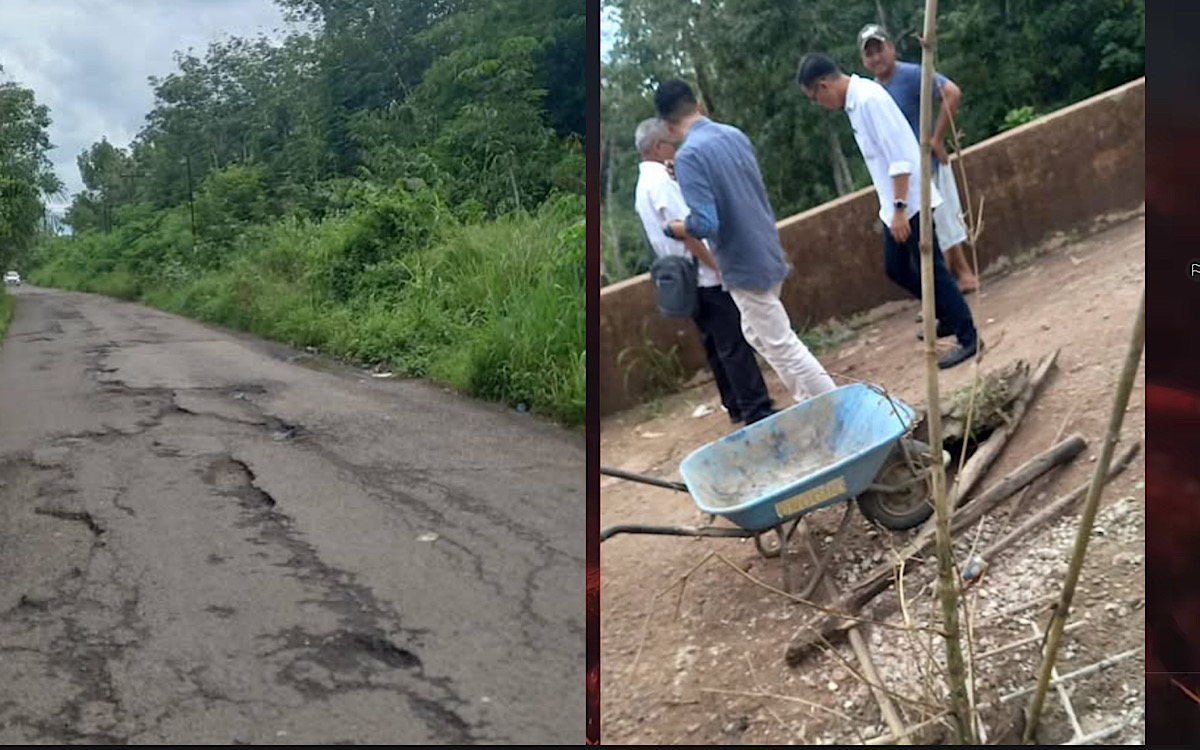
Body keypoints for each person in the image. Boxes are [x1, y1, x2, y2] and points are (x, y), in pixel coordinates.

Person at [652, 79, 838, 404]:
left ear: (667, 126)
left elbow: (706, 223)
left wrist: (675, 228)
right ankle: (817, 404)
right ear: (698, 106)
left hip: (741, 261)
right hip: (766, 247)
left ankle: (835, 406)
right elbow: (735, 187)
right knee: (756, 333)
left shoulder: (690, 155)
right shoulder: (733, 135)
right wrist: (686, 176)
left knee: (782, 344)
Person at [796, 53, 980, 370]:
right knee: (895, 267)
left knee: (932, 268)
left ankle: (968, 335)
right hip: (894, 204)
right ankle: (948, 314)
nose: (819, 104)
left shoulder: (868, 101)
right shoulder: (857, 103)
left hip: (907, 201)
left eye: (815, 97)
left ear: (824, 85)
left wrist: (898, 209)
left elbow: (898, 159)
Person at [633, 117, 776, 425]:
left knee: (715, 344)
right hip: (703, 273)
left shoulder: (643, 185)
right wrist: (718, 266)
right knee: (732, 342)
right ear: (659, 147)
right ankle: (755, 407)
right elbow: (689, 231)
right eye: (671, 144)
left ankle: (735, 403)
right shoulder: (661, 184)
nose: (676, 150)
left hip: (684, 276)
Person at [858, 23, 979, 295]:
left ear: (891, 48)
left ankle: (958, 281)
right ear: (864, 61)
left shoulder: (912, 75)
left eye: (880, 49)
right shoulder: (872, 94)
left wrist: (936, 139)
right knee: (933, 233)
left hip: (925, 166)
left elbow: (952, 92)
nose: (876, 58)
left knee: (941, 229)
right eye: (870, 54)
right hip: (904, 177)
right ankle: (952, 287)